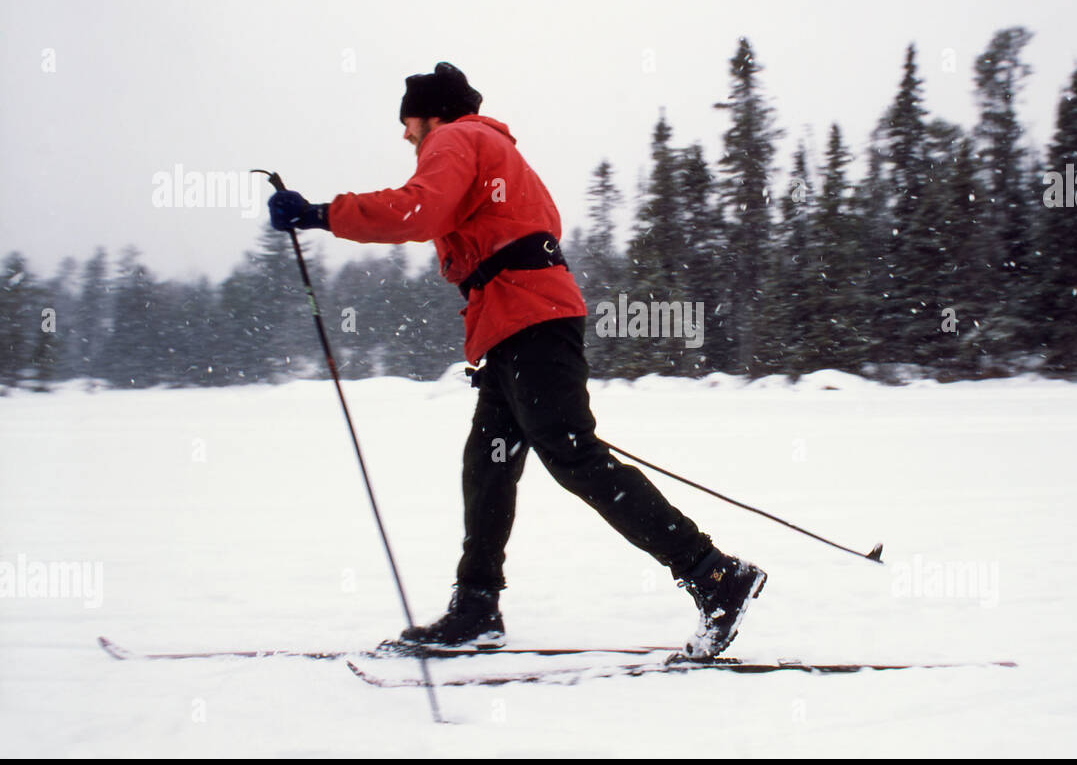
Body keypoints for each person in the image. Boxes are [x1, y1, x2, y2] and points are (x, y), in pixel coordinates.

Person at [266, 62, 765, 658]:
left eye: (409, 123)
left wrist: (320, 213)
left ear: (434, 116)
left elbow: (418, 210)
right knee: (489, 463)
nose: (405, 136)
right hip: (514, 322)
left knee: (572, 456)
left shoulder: (456, 138)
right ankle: (476, 607)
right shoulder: (492, 150)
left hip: (530, 319)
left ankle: (714, 574)